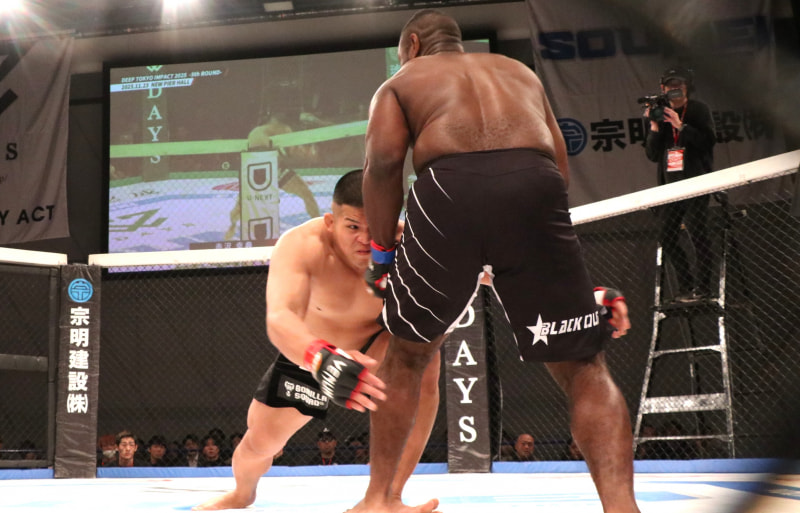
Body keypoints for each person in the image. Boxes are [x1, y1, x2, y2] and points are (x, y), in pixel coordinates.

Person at [357, 9, 636, 513]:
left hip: (449, 190)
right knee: (584, 365)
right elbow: (559, 165)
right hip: (536, 187)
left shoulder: (401, 82)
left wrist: (381, 255)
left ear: (413, 44)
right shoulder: (520, 73)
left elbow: (383, 165)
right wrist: (531, 240)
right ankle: (622, 508)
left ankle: (379, 500)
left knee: (407, 356)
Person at [192, 169, 440, 511]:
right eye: (352, 227)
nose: (365, 239)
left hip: (377, 347)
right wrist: (321, 357)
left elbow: (475, 271)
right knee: (260, 443)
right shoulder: (302, 245)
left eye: (374, 228)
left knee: (424, 361)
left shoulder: (412, 247)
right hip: (312, 353)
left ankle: (387, 497)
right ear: (330, 222)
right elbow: (280, 317)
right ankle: (242, 493)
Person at [644, 66, 716, 302]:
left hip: (695, 182)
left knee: (698, 234)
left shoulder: (698, 109)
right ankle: (686, 287)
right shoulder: (659, 113)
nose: (674, 89)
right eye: (669, 86)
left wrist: (680, 125)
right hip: (670, 187)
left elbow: (707, 142)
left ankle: (703, 288)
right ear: (662, 88)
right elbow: (652, 154)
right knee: (666, 236)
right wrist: (655, 127)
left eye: (678, 85)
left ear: (687, 87)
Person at [225, 111, 321, 240]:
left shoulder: (259, 130)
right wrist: (308, 152)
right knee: (306, 194)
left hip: (251, 168)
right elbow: (293, 152)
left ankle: (230, 230)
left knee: (241, 203)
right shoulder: (284, 129)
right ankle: (319, 228)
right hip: (266, 165)